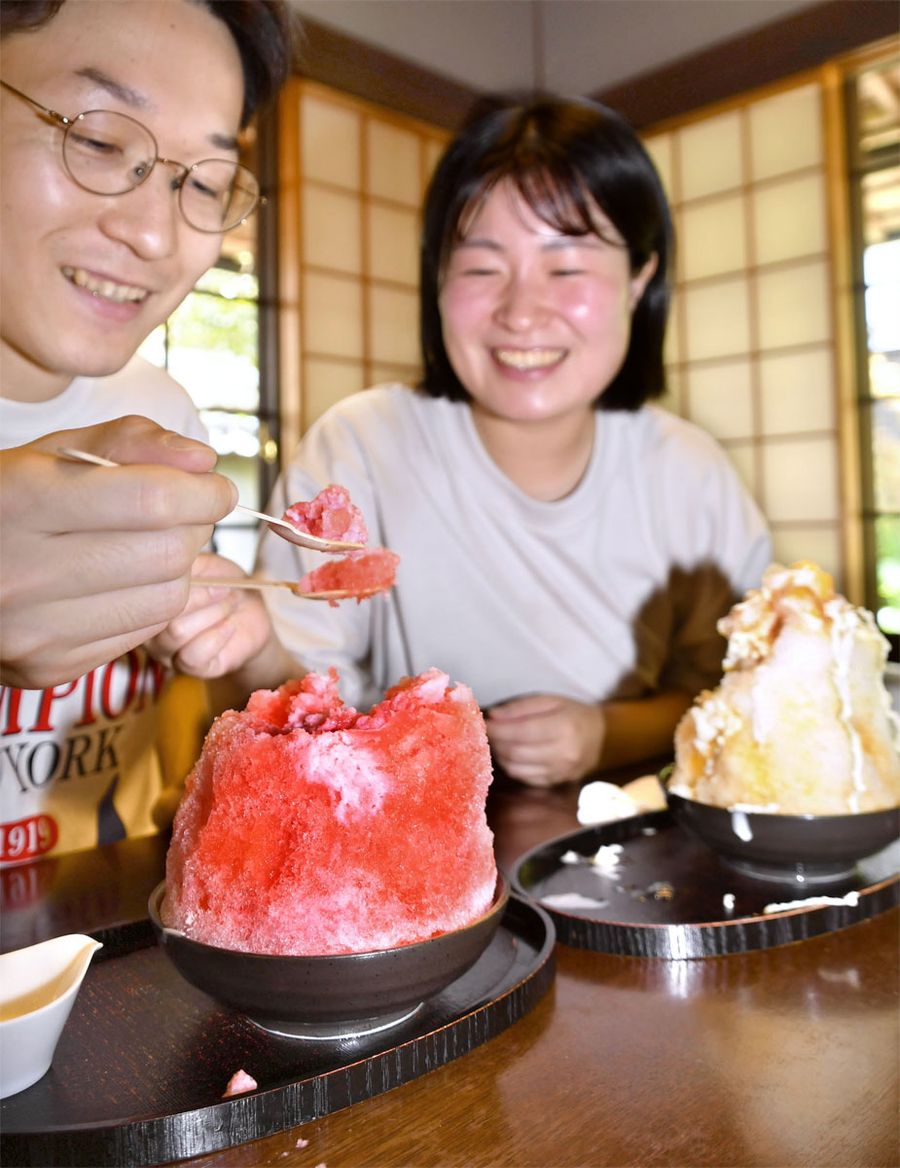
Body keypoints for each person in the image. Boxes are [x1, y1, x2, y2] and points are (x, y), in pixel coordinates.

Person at [254, 94, 773, 789]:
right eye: (481, 267)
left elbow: (741, 690)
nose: (522, 312)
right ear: (438, 277)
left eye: (567, 267)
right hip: (395, 828)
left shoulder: (690, 473)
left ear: (639, 278)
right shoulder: (362, 449)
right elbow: (293, 694)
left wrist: (606, 734)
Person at [0, 0, 296, 864]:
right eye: (97, 140)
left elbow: (204, 715)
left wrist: (248, 651)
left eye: (202, 183)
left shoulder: (161, 415)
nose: (153, 234)